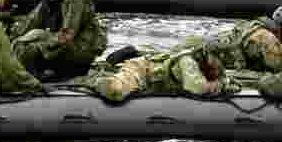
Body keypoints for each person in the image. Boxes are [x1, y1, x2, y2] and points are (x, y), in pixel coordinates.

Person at [8, 0, 108, 79]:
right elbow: (29, 24)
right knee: (28, 39)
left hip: (80, 51)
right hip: (62, 47)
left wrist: (38, 48)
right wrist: (11, 41)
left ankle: (36, 77)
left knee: (35, 39)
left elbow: (67, 36)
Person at [91, 37, 235, 102]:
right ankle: (95, 81)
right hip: (143, 71)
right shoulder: (187, 60)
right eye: (216, 57)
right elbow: (196, 88)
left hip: (160, 81)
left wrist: (223, 83)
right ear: (206, 53)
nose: (218, 62)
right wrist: (219, 85)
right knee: (115, 91)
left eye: (222, 59)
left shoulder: (214, 65)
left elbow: (224, 80)